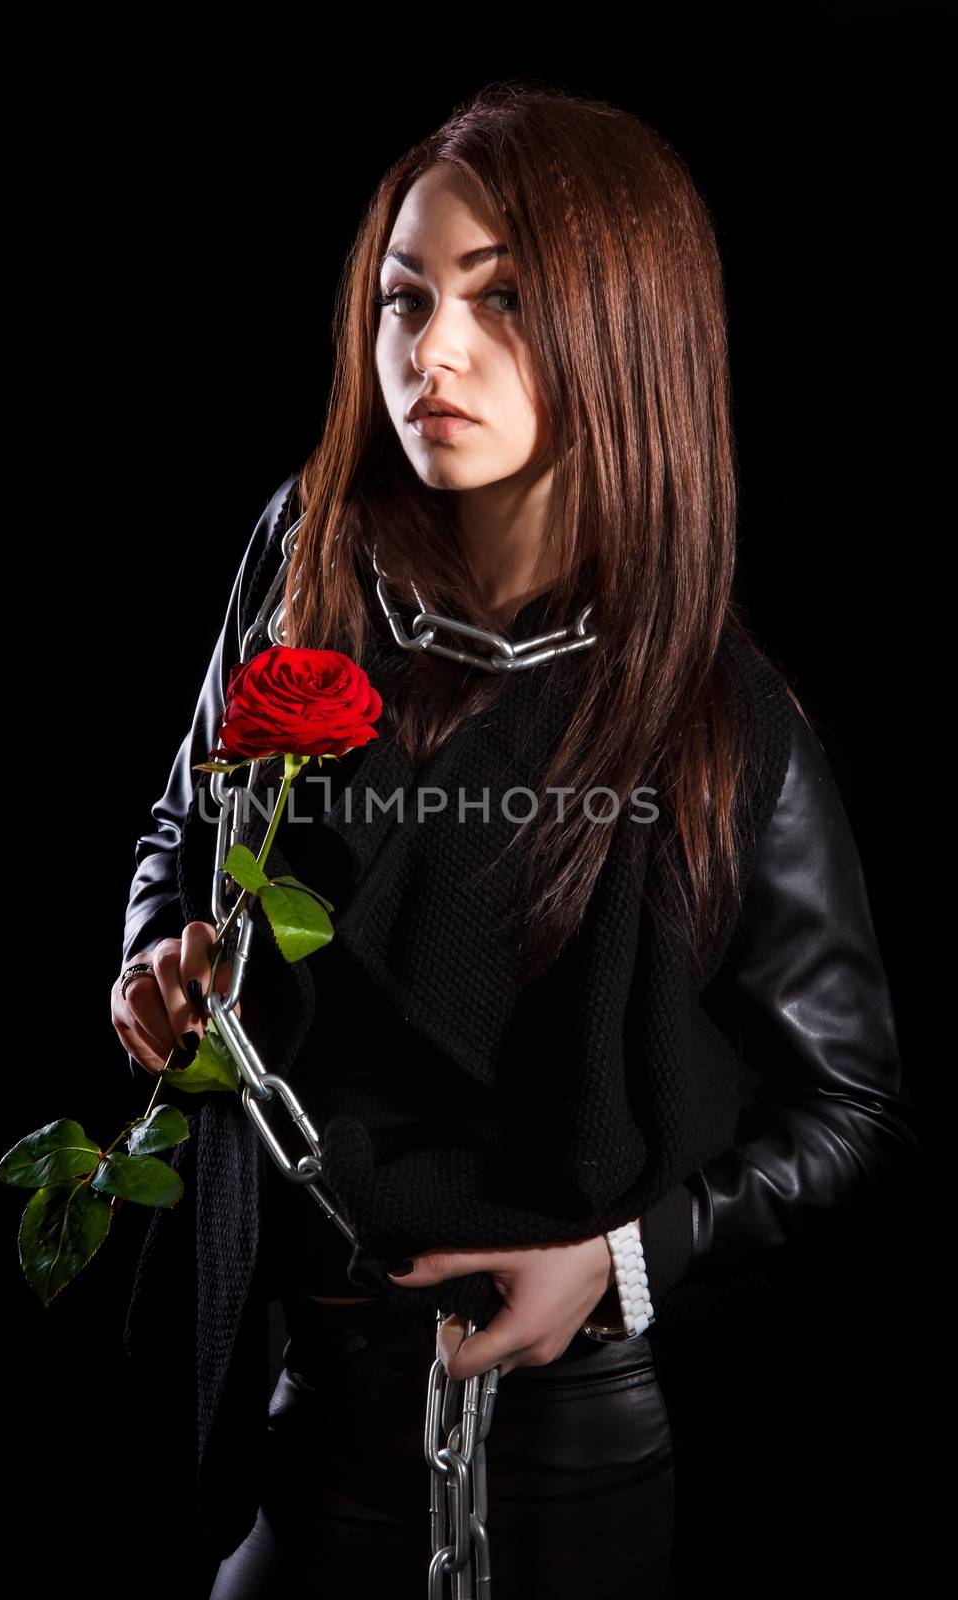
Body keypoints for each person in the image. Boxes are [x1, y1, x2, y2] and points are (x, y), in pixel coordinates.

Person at [110, 83, 918, 1598]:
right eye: (405, 297)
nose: (434, 352)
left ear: (628, 328)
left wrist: (622, 1262)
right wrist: (159, 950)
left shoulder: (715, 717)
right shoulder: (306, 565)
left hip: (565, 1447)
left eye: (505, 300)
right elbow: (184, 818)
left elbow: (851, 1102)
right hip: (287, 1392)